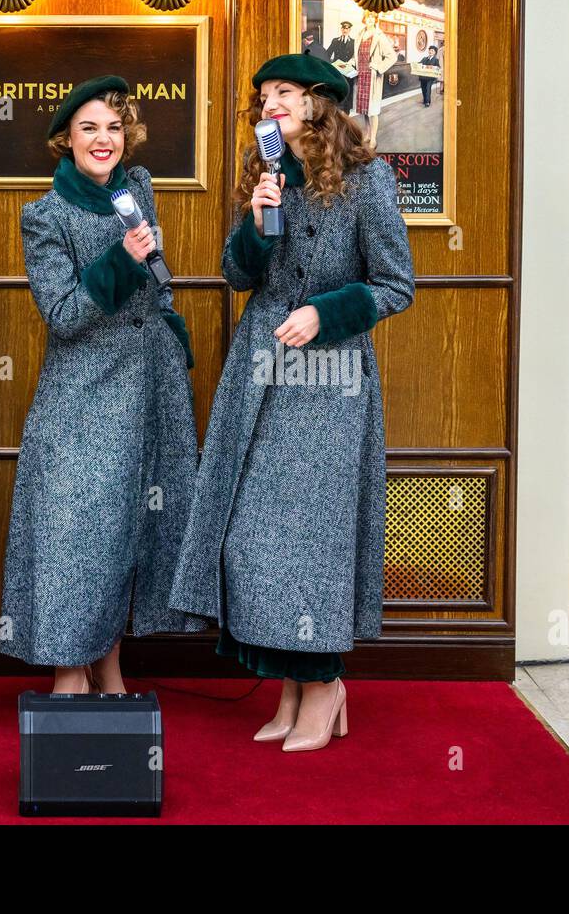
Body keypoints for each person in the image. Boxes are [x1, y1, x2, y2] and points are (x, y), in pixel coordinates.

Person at [169, 54, 415, 752]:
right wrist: (257, 219)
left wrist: (326, 314)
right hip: (260, 374)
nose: (269, 103)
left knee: (314, 543)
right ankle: (290, 686)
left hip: (330, 382)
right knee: (253, 539)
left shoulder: (368, 182)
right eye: (263, 96)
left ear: (319, 103)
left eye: (284, 92)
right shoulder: (264, 177)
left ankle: (324, 685)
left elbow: (397, 285)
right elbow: (237, 272)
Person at [0, 76, 202, 694]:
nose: (103, 139)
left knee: (130, 526)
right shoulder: (45, 216)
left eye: (113, 127)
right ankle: (69, 669)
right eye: (89, 128)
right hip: (84, 391)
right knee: (75, 527)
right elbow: (61, 314)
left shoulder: (136, 190)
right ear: (66, 139)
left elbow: (154, 281)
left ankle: (109, 664)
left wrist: (164, 312)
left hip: (150, 383)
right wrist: (122, 260)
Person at [351, 12, 398, 149]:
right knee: (364, 109)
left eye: (372, 17)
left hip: (372, 76)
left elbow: (392, 57)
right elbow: (358, 55)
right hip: (360, 75)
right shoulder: (359, 35)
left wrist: (378, 66)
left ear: (375, 20)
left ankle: (374, 139)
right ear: (364, 19)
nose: (370, 19)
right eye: (368, 17)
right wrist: (351, 62)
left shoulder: (379, 36)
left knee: (373, 110)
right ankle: (367, 134)